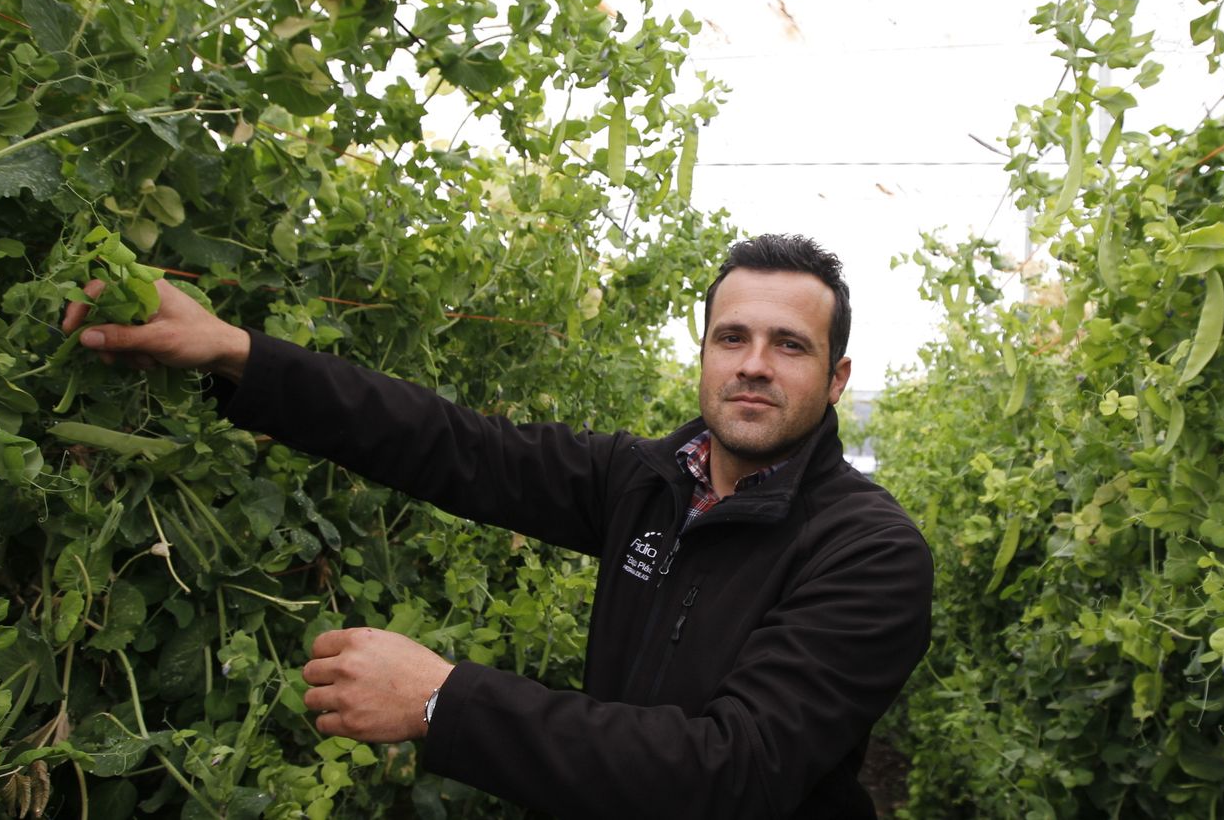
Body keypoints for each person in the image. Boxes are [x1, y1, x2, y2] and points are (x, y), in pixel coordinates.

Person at [63, 234, 933, 818]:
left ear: (836, 377)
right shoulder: (649, 484)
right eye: (731, 337)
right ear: (703, 353)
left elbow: (731, 771)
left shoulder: (868, 552)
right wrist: (237, 353)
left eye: (789, 345)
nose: (753, 365)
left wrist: (445, 703)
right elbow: (452, 445)